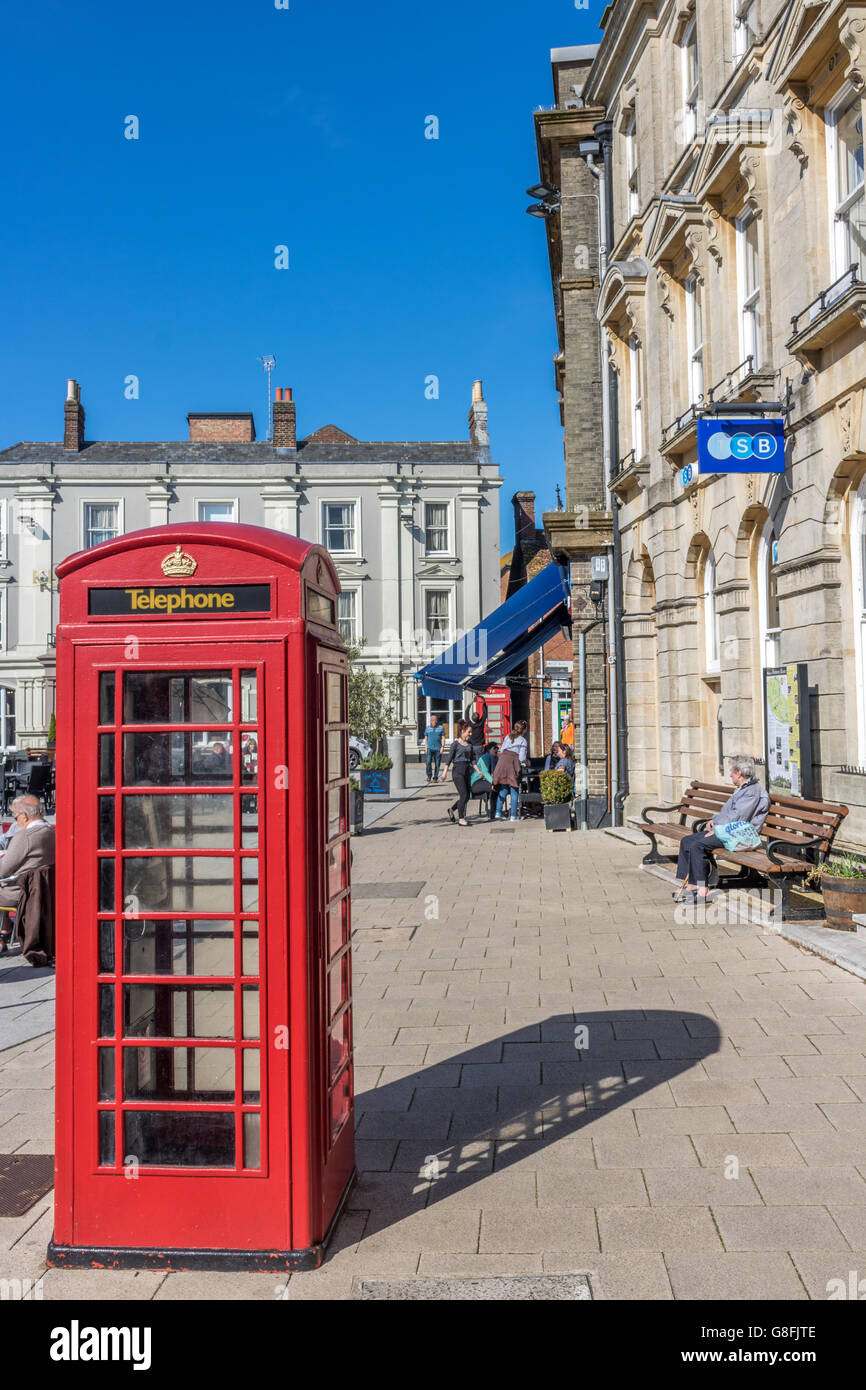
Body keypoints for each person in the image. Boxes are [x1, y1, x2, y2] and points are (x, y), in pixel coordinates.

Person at [674, 756, 770, 903]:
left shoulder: (752, 791)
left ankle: (702, 890)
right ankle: (693, 884)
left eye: (732, 771)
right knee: (687, 840)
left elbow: (738, 817)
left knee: (698, 845)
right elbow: (729, 815)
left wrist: (717, 828)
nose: (730, 774)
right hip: (729, 831)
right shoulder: (743, 788)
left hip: (740, 835)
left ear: (739, 773)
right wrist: (713, 821)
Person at [0, 796, 55, 954]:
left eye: (16, 817)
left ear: (24, 816)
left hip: (21, 892)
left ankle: (2, 937)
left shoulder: (25, 837)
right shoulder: (49, 831)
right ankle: (5, 929)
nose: (16, 821)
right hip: (39, 889)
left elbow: (3, 870)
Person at [440, 722, 477, 826]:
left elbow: (473, 760)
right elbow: (448, 760)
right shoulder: (455, 744)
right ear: (462, 731)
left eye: (471, 732)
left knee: (466, 797)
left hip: (467, 772)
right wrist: (444, 773)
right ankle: (461, 819)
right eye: (469, 732)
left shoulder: (470, 745)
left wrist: (478, 770)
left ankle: (451, 809)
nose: (470, 734)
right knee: (463, 794)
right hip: (457, 772)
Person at [470, 742, 499, 819]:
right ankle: (493, 813)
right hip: (476, 783)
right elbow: (485, 773)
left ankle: (494, 811)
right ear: (489, 750)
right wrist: (493, 782)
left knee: (497, 788)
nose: (497, 750)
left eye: (498, 748)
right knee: (494, 788)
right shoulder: (485, 757)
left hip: (484, 781)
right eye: (494, 748)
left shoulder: (496, 758)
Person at [423, 714, 446, 783]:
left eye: (434, 720)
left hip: (438, 749)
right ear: (430, 721)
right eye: (432, 720)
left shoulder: (441, 728)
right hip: (429, 748)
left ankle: (435, 778)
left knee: (437, 764)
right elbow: (426, 739)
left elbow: (443, 738)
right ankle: (429, 776)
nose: (433, 721)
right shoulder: (427, 728)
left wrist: (442, 747)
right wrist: (426, 747)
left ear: (436, 721)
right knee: (428, 762)